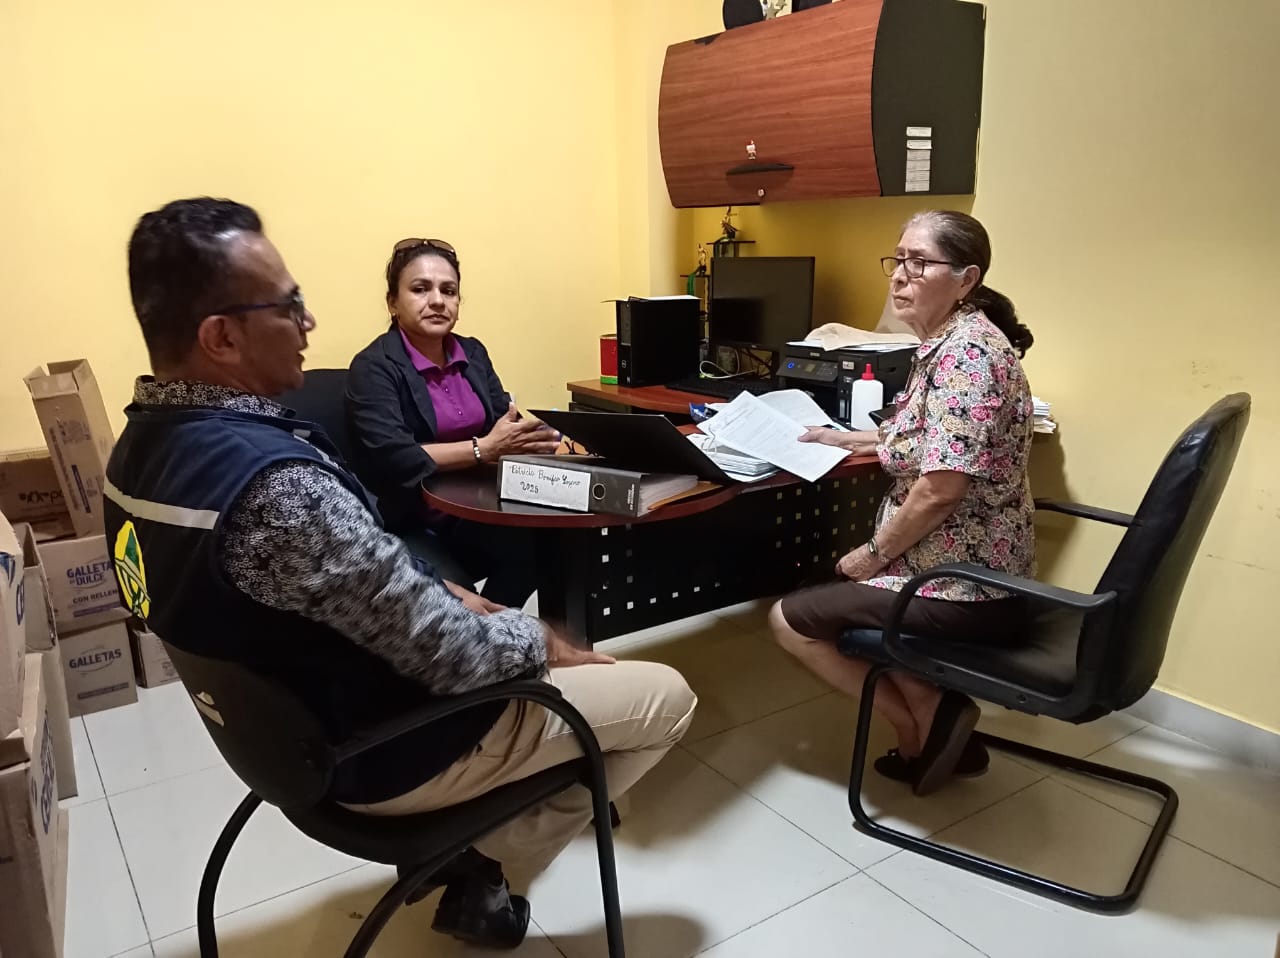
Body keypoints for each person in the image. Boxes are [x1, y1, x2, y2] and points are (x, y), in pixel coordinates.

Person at [104, 199, 696, 949]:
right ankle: (484, 865)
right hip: (386, 751)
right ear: (220, 336)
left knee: (501, 586)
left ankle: (488, 831)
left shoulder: (134, 456)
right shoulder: (278, 486)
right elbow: (457, 659)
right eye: (288, 304)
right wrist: (545, 643)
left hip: (278, 746)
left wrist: (460, 598)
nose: (308, 322)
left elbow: (356, 580)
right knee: (667, 698)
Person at [769, 210, 1036, 797]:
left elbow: (941, 488)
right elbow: (928, 438)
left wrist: (871, 554)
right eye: (898, 260)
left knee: (790, 619)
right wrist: (848, 439)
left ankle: (919, 726)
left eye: (919, 263)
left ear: (966, 279)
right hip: (954, 566)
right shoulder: (952, 342)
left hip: (963, 585)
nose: (899, 276)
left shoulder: (966, 359)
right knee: (829, 590)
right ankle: (935, 716)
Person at [345, 238, 557, 608]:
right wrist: (483, 449)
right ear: (393, 303)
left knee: (550, 546)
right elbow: (397, 457)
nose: (438, 301)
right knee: (454, 605)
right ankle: (485, 632)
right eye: (420, 289)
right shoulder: (373, 367)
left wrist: (546, 439)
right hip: (412, 520)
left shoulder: (472, 352)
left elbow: (503, 421)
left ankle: (498, 632)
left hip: (476, 508)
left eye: (449, 291)